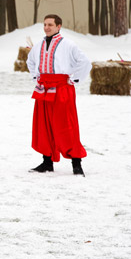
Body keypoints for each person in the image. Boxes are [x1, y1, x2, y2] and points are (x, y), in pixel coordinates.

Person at [26, 14, 91, 176]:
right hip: (44, 88)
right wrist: (36, 76)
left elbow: (85, 62)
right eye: (45, 24)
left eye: (50, 25)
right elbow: (30, 61)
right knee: (44, 126)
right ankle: (47, 161)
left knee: (66, 126)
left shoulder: (68, 45)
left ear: (58, 26)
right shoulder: (39, 45)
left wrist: (74, 79)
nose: (47, 27)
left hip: (62, 88)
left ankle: (76, 163)